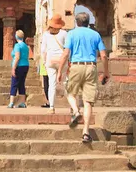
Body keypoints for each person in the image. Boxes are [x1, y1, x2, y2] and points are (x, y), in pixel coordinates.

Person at [58, 12, 109, 143]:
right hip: (91, 67)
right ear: (88, 22)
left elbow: (65, 54)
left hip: (75, 66)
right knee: (88, 101)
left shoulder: (71, 34)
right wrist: (106, 72)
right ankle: (86, 132)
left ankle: (75, 111)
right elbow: (103, 55)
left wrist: (59, 71)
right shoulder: (95, 34)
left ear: (76, 22)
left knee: (69, 92)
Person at [41, 14, 68, 114]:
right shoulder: (64, 33)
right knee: (65, 83)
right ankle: (72, 106)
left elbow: (43, 50)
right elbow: (67, 48)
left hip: (50, 60)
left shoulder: (46, 34)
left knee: (51, 84)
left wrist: (44, 61)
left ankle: (51, 107)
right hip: (62, 60)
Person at [8, 30, 30, 108]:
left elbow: (17, 57)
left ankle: (11, 102)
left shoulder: (17, 46)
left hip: (19, 66)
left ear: (16, 37)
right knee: (21, 83)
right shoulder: (25, 46)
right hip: (25, 65)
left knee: (14, 83)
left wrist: (13, 68)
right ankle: (22, 102)